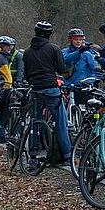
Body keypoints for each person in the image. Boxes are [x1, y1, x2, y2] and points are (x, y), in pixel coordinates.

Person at [23, 21, 71, 164]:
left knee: (34, 123)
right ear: (49, 34)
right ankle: (67, 155)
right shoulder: (53, 48)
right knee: (61, 123)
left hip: (35, 89)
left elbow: (26, 75)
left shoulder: (27, 52)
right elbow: (61, 69)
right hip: (50, 88)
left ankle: (33, 157)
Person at [62, 28, 99, 96]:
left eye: (80, 39)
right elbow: (66, 60)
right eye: (76, 39)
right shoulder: (65, 52)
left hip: (83, 88)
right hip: (68, 87)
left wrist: (90, 81)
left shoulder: (87, 54)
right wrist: (79, 52)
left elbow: (95, 69)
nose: (78, 41)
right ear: (70, 40)